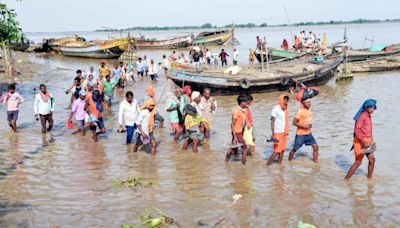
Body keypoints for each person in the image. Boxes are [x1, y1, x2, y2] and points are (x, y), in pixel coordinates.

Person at [345, 99, 377, 180]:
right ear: (366, 108)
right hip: (361, 142)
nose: (372, 109)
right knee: (358, 162)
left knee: (372, 160)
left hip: (368, 142)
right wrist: (363, 141)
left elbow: (367, 129)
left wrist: (371, 139)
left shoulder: (368, 115)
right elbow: (357, 130)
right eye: (371, 108)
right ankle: (346, 179)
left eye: (374, 108)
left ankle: (369, 180)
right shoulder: (362, 116)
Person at [288, 98, 319, 163]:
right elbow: (294, 122)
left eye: (310, 102)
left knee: (315, 147)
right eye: (307, 102)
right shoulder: (300, 111)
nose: (309, 103)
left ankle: (316, 163)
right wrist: (305, 126)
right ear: (303, 103)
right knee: (294, 149)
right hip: (300, 134)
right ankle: (289, 162)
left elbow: (307, 120)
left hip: (308, 133)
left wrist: (310, 125)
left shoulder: (309, 110)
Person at [267, 95, 290, 166]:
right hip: (277, 132)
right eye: (285, 100)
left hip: (284, 132)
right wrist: (273, 133)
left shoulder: (286, 109)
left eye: (287, 100)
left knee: (282, 150)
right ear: (281, 100)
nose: (286, 101)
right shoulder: (276, 109)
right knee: (277, 150)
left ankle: (280, 165)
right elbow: (272, 121)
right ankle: (267, 165)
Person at [230, 94, 252, 164]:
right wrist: (235, 136)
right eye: (245, 102)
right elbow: (232, 124)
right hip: (237, 132)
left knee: (233, 148)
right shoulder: (236, 111)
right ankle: (244, 165)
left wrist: (248, 124)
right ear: (241, 102)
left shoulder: (244, 110)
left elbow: (245, 120)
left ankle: (227, 161)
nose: (247, 103)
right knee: (244, 148)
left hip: (241, 132)